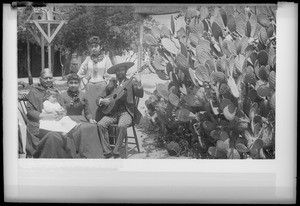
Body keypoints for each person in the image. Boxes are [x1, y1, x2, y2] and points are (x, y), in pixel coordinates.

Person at [96, 57, 144, 159]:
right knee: (100, 124)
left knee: (121, 125)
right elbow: (100, 96)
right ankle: (107, 152)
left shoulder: (131, 82)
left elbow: (140, 94)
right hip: (112, 113)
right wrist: (101, 101)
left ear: (125, 71)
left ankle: (116, 152)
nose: (120, 72)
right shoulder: (111, 83)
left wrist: (139, 82)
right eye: (118, 70)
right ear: (115, 72)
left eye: (122, 69)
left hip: (126, 113)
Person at [25, 68, 76, 158]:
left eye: (50, 78)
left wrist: (62, 112)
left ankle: (69, 159)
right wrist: (46, 116)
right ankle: (53, 161)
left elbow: (63, 107)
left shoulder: (55, 92)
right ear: (40, 79)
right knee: (54, 136)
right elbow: (30, 112)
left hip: (57, 121)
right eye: (46, 78)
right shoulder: (33, 92)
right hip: (39, 124)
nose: (48, 80)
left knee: (71, 132)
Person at [61, 73, 104, 158]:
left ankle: (93, 154)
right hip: (68, 120)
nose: (73, 85)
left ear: (79, 84)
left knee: (93, 126)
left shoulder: (83, 95)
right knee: (81, 128)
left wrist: (90, 119)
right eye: (71, 83)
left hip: (81, 118)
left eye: (75, 83)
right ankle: (80, 152)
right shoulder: (63, 95)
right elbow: (62, 111)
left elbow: (87, 111)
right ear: (67, 84)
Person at [77, 36, 113, 121]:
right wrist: (86, 78)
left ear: (100, 47)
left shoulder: (106, 59)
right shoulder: (88, 59)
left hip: (102, 88)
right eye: (92, 46)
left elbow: (110, 74)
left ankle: (102, 127)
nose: (93, 48)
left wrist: (106, 81)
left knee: (101, 110)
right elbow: (79, 74)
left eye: (96, 46)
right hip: (90, 88)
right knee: (90, 109)